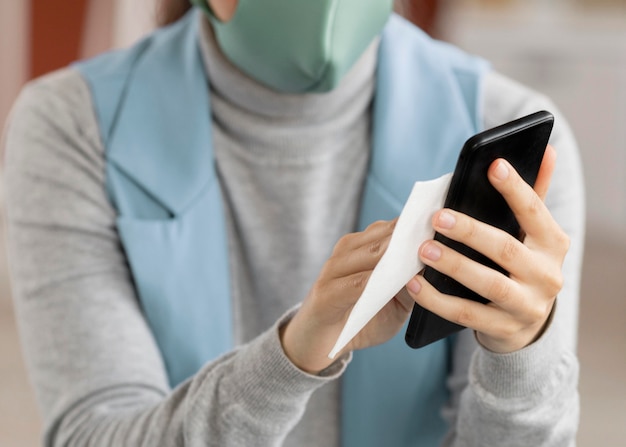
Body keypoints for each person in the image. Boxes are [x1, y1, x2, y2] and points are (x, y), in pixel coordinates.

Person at [2, 0, 584, 446]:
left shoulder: (505, 133)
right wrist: (289, 361)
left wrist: (520, 354)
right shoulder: (72, 127)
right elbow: (97, 431)